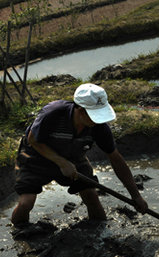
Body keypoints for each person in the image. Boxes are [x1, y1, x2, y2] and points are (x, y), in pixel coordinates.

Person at [11, 83, 148, 226]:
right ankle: (19, 232)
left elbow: (116, 159)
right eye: (94, 115)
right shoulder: (53, 113)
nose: (97, 120)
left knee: (91, 195)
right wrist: (61, 162)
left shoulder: (99, 127)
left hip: (73, 157)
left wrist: (136, 196)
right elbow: (32, 139)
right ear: (81, 111)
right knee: (27, 202)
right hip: (37, 156)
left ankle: (99, 231)